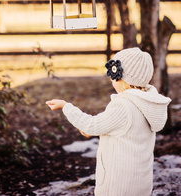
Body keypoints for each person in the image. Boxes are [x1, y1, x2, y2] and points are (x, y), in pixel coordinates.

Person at [46, 47, 171, 196]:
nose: (111, 79)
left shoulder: (123, 106)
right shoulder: (148, 103)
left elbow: (90, 125)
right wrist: (97, 131)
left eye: (113, 75)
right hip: (140, 185)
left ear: (122, 79)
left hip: (118, 186)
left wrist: (65, 106)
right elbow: (125, 131)